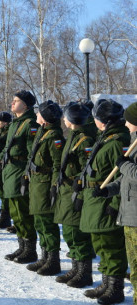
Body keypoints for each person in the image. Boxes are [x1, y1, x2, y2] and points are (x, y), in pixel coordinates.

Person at [79, 99, 129, 304]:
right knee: (100, 244)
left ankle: (115, 288)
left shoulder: (118, 142)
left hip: (107, 201)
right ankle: (106, 283)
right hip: (96, 200)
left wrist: (114, 204)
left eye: (97, 118)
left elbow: (123, 176)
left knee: (112, 246)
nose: (95, 121)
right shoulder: (105, 138)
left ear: (106, 121)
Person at [53, 101, 96, 288]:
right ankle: (76, 268)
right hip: (66, 189)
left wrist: (78, 186)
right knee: (70, 232)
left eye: (66, 116)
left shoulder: (84, 139)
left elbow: (86, 168)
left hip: (75, 190)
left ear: (72, 119)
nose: (63, 119)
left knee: (76, 233)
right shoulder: (73, 136)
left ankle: (84, 273)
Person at [99, 101, 137, 305]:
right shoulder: (133, 140)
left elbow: (134, 174)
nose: (126, 123)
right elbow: (125, 180)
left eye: (129, 120)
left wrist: (124, 166)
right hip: (130, 213)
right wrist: (107, 190)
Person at [0, 90, 40, 264]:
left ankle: (30, 250)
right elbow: (8, 147)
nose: (12, 103)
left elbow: (33, 152)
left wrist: (26, 174)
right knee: (15, 213)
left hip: (19, 171)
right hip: (10, 171)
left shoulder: (30, 123)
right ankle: (22, 246)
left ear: (25, 104)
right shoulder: (16, 123)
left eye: (16, 101)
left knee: (23, 213)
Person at [24, 100, 64, 275]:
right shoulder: (42, 132)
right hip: (36, 183)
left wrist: (54, 186)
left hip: (45, 184)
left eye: (39, 113)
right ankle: (44, 257)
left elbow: (57, 165)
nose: (36, 115)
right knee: (39, 222)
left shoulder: (54, 137)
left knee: (47, 223)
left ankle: (53, 260)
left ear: (45, 119)